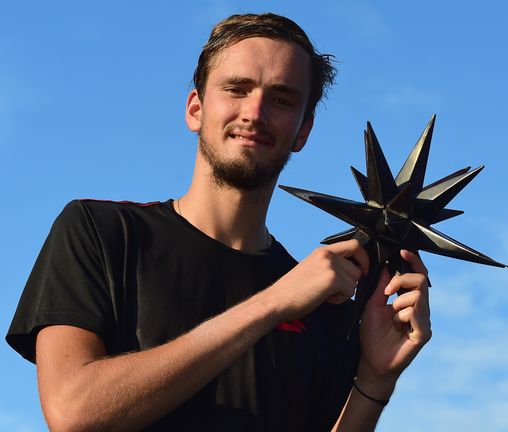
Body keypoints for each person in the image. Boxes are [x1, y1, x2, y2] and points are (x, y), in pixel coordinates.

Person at [6, 13, 431, 431]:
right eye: (236, 89)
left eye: (282, 99)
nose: (255, 112)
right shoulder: (101, 231)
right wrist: (272, 304)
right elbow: (75, 412)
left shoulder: (325, 303)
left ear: (303, 131)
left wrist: (376, 380)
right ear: (195, 108)